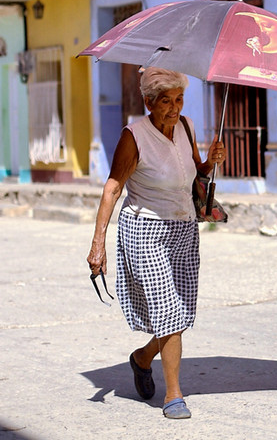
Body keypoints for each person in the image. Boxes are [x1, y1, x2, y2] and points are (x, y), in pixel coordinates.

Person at [87, 67, 226, 420]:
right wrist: (98, 244)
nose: (174, 107)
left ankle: (143, 358)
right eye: (166, 101)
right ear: (149, 102)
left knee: (179, 313)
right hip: (145, 231)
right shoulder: (134, 137)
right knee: (168, 312)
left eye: (179, 99)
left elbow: (197, 173)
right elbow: (113, 188)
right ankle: (174, 395)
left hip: (183, 229)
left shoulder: (186, 127)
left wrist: (211, 160)